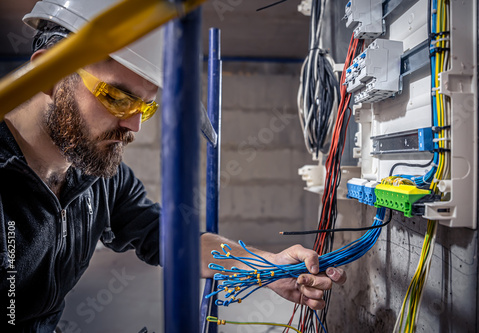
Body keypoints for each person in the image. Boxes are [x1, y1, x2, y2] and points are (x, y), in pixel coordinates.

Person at [0, 0, 346, 331]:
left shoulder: (97, 174)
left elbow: (162, 235)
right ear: (50, 75)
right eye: (118, 98)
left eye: (145, 108)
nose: (134, 125)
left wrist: (263, 266)